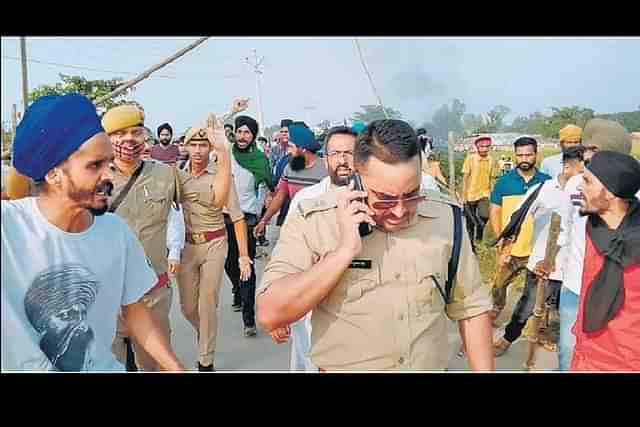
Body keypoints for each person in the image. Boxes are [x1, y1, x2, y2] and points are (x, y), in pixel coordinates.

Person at [257, 119, 494, 371]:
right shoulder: (315, 219)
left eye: (412, 194)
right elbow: (271, 313)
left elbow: (471, 308)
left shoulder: (447, 217)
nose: (400, 210)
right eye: (385, 199)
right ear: (357, 179)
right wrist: (343, 252)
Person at [1, 93, 183, 371]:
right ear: (53, 174)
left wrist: (175, 367)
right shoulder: (9, 228)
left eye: (108, 163)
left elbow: (134, 310)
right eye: (94, 165)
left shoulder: (116, 232)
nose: (109, 176)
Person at [101, 104, 185, 372]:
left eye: (136, 132)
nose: (129, 140)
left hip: (153, 294)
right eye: (120, 133)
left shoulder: (166, 174)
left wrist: (221, 151)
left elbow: (205, 198)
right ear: (106, 138)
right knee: (107, 364)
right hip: (105, 296)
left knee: (153, 364)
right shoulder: (91, 176)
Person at [268, 125, 358, 371]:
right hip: (312, 307)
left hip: (361, 310)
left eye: (350, 153)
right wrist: (281, 309)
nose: (343, 160)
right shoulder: (306, 200)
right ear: (325, 157)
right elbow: (287, 258)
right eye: (336, 153)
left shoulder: (378, 198)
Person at [558, 118, 636, 371]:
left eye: (591, 149)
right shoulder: (574, 186)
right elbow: (566, 230)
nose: (584, 154)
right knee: (570, 354)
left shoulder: (631, 189)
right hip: (575, 285)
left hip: (622, 298)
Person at [491, 147, 584, 359]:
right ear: (568, 166)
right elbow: (518, 216)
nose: (583, 175)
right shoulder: (544, 188)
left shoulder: (584, 190)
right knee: (528, 304)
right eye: (581, 169)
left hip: (573, 265)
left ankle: (551, 338)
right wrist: (506, 248)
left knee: (561, 310)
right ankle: (508, 337)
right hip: (543, 262)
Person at [176, 116, 250, 371]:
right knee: (187, 307)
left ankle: (205, 360)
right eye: (193, 145)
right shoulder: (175, 176)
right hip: (186, 247)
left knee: (207, 302)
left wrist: (243, 256)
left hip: (215, 243)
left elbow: (238, 217)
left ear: (210, 148)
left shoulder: (221, 176)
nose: (198, 150)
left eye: (203, 145)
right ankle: (204, 332)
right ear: (185, 146)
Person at [489, 137, 551, 323]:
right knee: (499, 283)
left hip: (537, 248)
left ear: (535, 155)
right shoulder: (504, 182)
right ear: (515, 155)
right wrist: (501, 237)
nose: (524, 158)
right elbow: (495, 211)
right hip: (511, 247)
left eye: (528, 154)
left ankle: (537, 323)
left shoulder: (546, 183)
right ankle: (497, 307)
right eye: (520, 154)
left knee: (537, 289)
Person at [224, 115, 273, 336]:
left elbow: (265, 188)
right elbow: (210, 129)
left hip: (247, 218)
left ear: (253, 135)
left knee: (247, 266)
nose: (243, 136)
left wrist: (261, 219)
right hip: (223, 217)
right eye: (239, 131)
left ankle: (248, 318)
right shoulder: (225, 154)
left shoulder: (260, 160)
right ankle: (236, 288)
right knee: (228, 263)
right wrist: (232, 111)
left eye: (247, 132)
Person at [254, 123, 328, 238]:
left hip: (320, 230)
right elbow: (280, 196)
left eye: (291, 146)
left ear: (302, 149)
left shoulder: (326, 170)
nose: (288, 150)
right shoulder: (289, 167)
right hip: (296, 227)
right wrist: (264, 220)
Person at [462, 136, 498, 243]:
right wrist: (464, 196)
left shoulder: (491, 160)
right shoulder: (471, 159)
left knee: (484, 216)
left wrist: (493, 194)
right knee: (470, 221)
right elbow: (465, 178)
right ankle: (470, 242)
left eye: (487, 146)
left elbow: (492, 178)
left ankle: (479, 237)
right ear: (477, 147)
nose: (484, 149)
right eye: (482, 146)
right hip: (471, 194)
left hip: (485, 194)